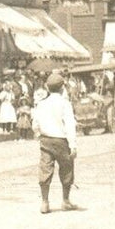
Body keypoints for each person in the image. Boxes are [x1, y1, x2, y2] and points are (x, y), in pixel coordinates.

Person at [33, 73, 80, 215]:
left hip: (46, 140)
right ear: (62, 88)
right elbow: (70, 124)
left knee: (45, 169)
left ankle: (44, 202)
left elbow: (35, 123)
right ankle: (65, 200)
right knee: (66, 169)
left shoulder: (41, 103)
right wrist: (73, 145)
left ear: (47, 88)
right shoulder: (65, 103)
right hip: (61, 141)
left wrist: (38, 134)